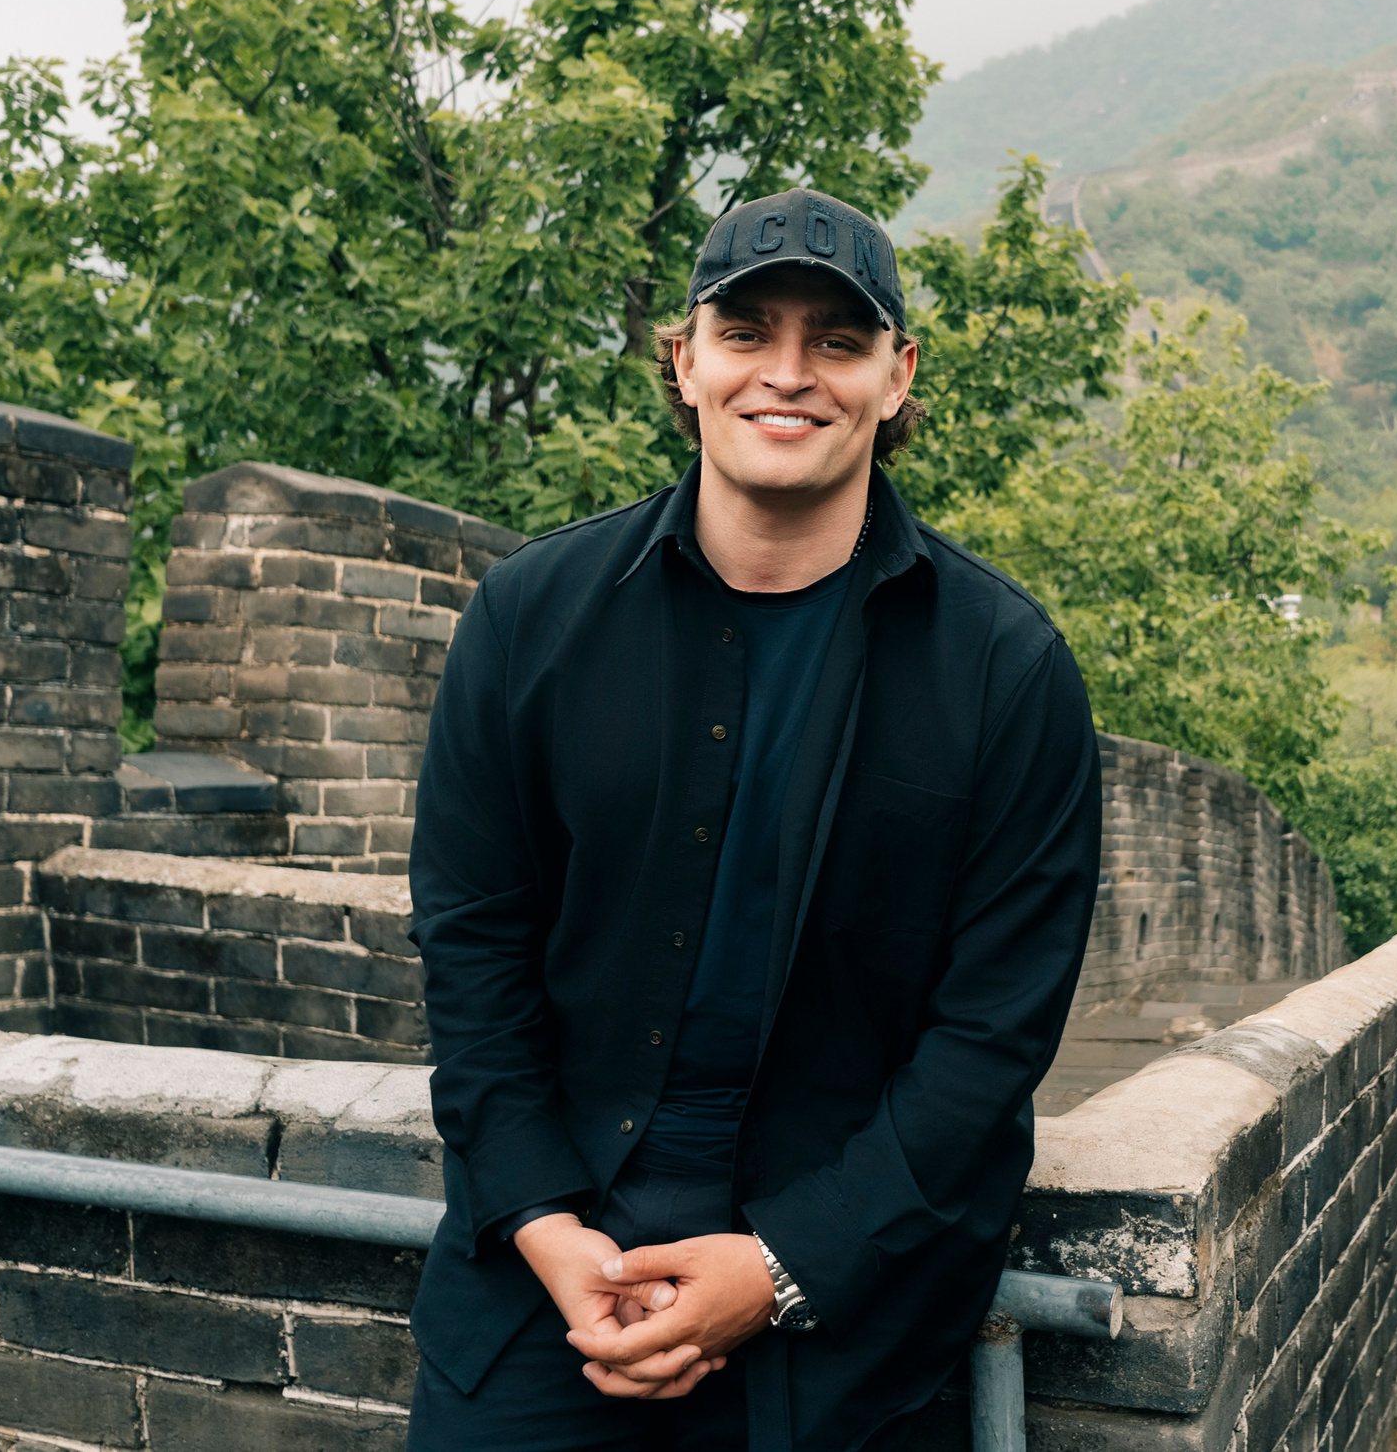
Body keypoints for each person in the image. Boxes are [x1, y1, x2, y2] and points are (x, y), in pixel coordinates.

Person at [405, 187, 1105, 1451]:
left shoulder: (1005, 674)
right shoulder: (529, 621)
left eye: (837, 341)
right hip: (544, 1296)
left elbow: (989, 1043)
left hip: (843, 1332)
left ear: (898, 377)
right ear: (685, 361)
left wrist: (779, 1269)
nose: (789, 374)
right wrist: (547, 1229)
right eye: (747, 332)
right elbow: (473, 945)